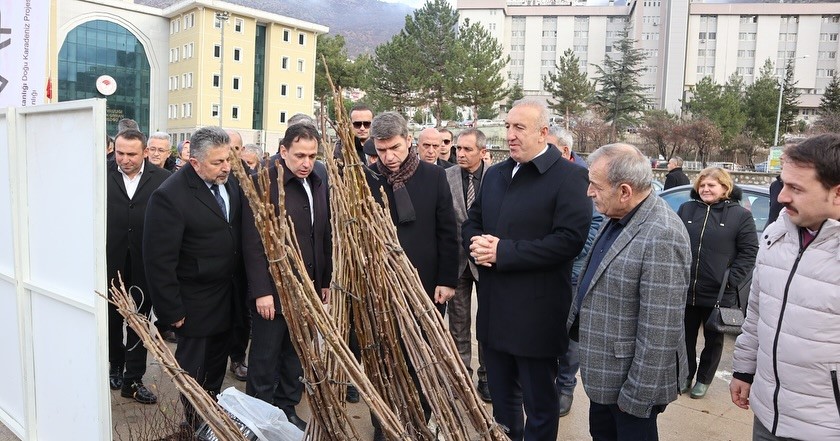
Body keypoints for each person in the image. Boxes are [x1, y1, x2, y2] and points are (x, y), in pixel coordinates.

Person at [462, 99, 592, 440]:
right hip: (493, 311)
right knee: (502, 402)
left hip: (537, 314)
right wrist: (475, 245)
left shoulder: (570, 177)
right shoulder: (496, 174)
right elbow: (473, 222)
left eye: (519, 127)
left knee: (539, 405)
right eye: (507, 126)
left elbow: (569, 241)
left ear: (543, 133)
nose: (510, 135)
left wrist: (503, 252)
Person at [568, 143, 691, 441]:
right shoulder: (618, 216)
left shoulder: (662, 234)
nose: (589, 192)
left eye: (595, 186)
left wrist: (637, 396)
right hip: (606, 376)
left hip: (631, 387)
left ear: (625, 190)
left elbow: (660, 330)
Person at [730, 134, 840, 440]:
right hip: (767, 415)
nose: (781, 196)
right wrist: (743, 371)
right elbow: (756, 314)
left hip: (826, 428)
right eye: (783, 183)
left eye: (796, 188)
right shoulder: (776, 236)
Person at [143, 126, 244, 430]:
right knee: (194, 373)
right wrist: (171, 311)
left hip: (228, 295)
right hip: (194, 304)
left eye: (228, 159)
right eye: (217, 162)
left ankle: (210, 417)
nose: (226, 166)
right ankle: (195, 424)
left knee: (216, 367)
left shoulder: (231, 183)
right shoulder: (169, 196)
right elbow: (158, 260)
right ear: (195, 163)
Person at [366, 111, 458, 441]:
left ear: (408, 140)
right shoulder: (368, 178)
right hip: (380, 288)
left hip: (426, 286)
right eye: (381, 150)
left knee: (423, 358)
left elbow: (448, 232)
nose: (388, 157)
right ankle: (385, 424)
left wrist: (447, 280)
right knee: (384, 356)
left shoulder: (433, 177)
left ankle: (419, 421)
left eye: (394, 148)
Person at [242, 123, 330, 432]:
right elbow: (253, 243)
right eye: (299, 155)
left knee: (296, 353)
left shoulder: (319, 180)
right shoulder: (262, 183)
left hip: (307, 287)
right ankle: (259, 418)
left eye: (312, 155)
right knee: (265, 357)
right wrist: (262, 291)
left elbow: (321, 235)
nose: (306, 162)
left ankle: (287, 407)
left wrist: (323, 281)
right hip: (274, 289)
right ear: (283, 151)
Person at [677, 167, 758, 399]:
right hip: (687, 288)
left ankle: (703, 379)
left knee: (713, 340)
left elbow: (749, 251)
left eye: (711, 185)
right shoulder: (686, 209)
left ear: (725, 187)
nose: (705, 189)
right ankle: (685, 375)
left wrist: (731, 280)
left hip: (719, 292)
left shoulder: (739, 215)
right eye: (702, 185)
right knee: (684, 337)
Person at [106, 129, 170, 404]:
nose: (125, 159)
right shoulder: (99, 174)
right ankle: (115, 366)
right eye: (120, 153)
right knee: (111, 317)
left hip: (146, 262)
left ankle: (133, 378)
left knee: (140, 319)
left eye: (131, 154)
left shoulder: (164, 180)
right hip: (110, 260)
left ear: (145, 152)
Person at [546, 125, 605, 417]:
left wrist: (564, 252)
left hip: (572, 269)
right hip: (546, 268)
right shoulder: (544, 174)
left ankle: (566, 386)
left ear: (565, 151)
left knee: (570, 333)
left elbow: (594, 227)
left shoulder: (583, 177)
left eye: (549, 147)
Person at [444, 128, 491, 403]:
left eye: (467, 149)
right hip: (457, 262)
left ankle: (487, 378)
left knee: (487, 324)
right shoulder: (446, 176)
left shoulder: (496, 177)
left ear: (483, 152)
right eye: (458, 149)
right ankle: (461, 377)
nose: (460, 153)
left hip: (487, 263)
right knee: (458, 324)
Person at [224, 128, 251, 382]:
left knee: (242, 313)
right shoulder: (213, 176)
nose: (230, 155)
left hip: (244, 257)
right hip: (220, 258)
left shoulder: (251, 177)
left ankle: (238, 357)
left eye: (235, 149)